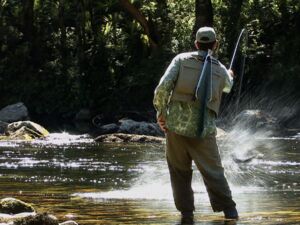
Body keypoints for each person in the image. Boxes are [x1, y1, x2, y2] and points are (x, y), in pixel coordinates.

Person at [153, 27, 238, 224]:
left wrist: (161, 113)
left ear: (196, 43)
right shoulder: (221, 69)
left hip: (175, 128)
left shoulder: (181, 60)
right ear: (215, 45)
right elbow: (227, 87)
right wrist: (230, 75)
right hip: (204, 132)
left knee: (179, 172)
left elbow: (162, 88)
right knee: (214, 172)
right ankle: (230, 213)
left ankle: (187, 215)